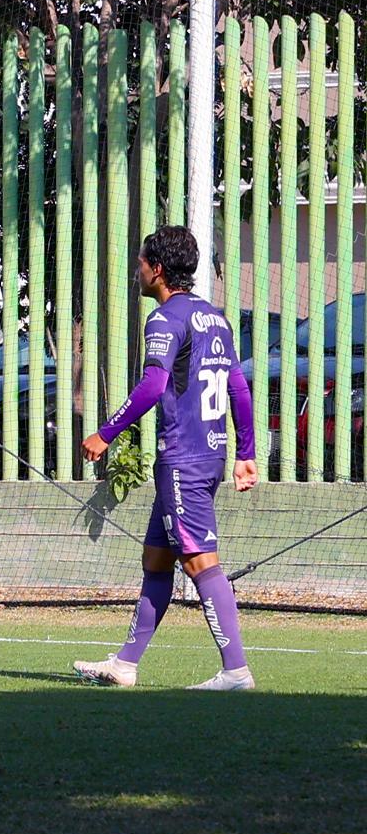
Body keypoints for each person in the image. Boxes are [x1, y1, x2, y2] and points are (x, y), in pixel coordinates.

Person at [73, 227, 259, 691]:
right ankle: (125, 665)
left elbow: (153, 386)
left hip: (183, 458)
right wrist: (245, 453)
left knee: (199, 562)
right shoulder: (215, 319)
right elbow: (238, 387)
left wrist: (106, 432)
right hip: (208, 455)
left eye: (141, 262)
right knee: (156, 558)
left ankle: (236, 672)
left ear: (157, 270)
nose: (137, 270)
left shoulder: (163, 319)